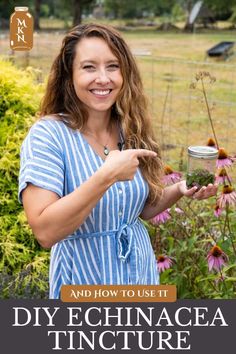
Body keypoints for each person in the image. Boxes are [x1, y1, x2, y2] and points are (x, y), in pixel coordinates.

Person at [18, 23, 217, 299]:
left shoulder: (129, 127)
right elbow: (45, 231)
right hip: (84, 281)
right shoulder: (48, 136)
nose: (103, 78)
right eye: (89, 67)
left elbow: (139, 211)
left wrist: (179, 189)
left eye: (113, 66)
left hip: (140, 278)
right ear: (69, 76)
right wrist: (106, 175)